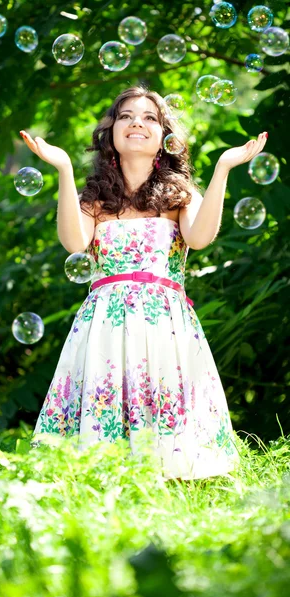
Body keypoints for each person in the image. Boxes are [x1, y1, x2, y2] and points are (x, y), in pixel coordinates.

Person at [19, 85, 267, 482]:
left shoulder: (179, 195)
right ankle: (100, 473)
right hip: (105, 323)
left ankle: (170, 474)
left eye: (150, 117)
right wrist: (64, 168)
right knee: (106, 398)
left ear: (164, 137)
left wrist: (222, 167)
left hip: (163, 322)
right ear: (111, 134)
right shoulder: (94, 199)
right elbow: (73, 242)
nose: (137, 122)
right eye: (126, 116)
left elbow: (201, 238)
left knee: (163, 398)